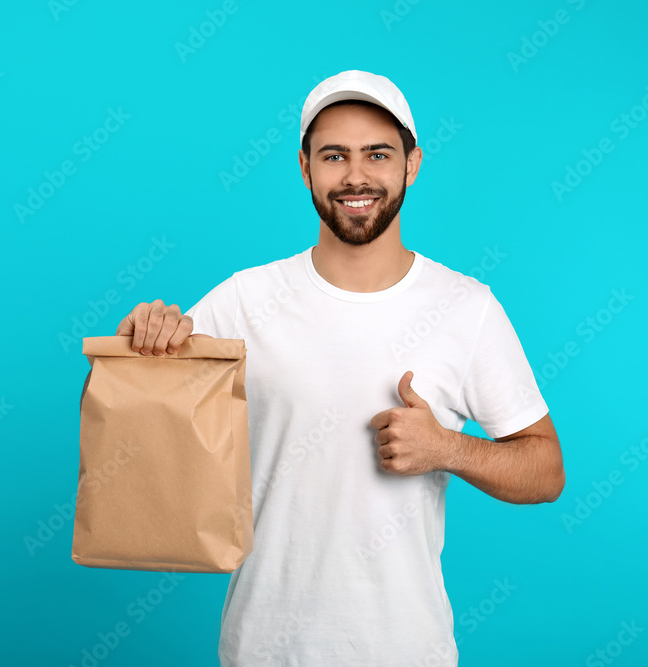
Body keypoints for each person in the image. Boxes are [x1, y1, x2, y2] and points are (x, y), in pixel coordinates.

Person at [114, 69, 564, 666]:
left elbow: (547, 471)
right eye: (334, 155)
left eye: (378, 153)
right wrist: (142, 346)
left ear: (412, 164)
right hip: (261, 650)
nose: (356, 176)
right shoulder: (245, 300)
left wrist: (448, 450)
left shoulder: (466, 308)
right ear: (305, 167)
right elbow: (132, 436)